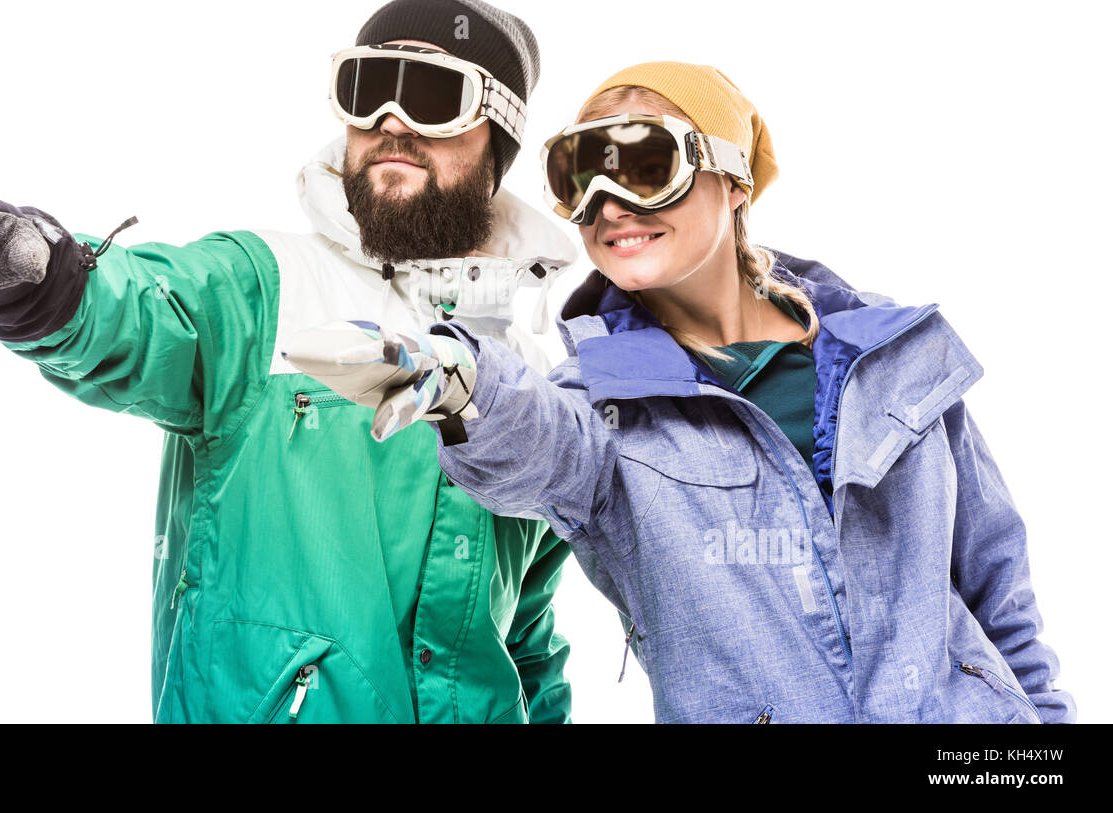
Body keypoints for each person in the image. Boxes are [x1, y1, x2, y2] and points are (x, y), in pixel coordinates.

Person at [284, 61, 1077, 723]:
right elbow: (538, 437)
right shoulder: (602, 405)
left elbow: (998, 590)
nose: (607, 203)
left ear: (733, 181)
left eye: (643, 162)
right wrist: (456, 376)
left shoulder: (893, 351)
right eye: (578, 175)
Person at [0, 0, 578, 724]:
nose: (392, 120)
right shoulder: (265, 288)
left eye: (436, 97)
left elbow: (527, 636)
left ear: (498, 140)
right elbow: (146, 311)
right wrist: (48, 281)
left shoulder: (535, 376)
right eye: (367, 88)